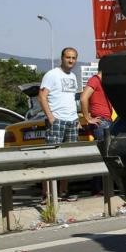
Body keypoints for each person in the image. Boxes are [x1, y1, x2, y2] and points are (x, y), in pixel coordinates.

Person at [39, 48, 81, 202]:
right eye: (68, 57)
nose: (71, 60)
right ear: (62, 58)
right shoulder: (52, 74)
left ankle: (63, 191)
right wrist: (50, 117)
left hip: (71, 121)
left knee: (68, 159)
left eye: (74, 58)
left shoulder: (73, 77)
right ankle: (47, 194)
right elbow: (42, 96)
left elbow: (71, 99)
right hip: (57, 120)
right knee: (51, 157)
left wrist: (76, 119)